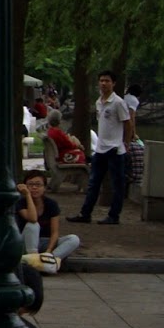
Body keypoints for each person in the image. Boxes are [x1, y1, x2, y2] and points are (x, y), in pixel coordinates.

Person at [68, 70, 135, 225]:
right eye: (102, 81)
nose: (104, 83)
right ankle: (85, 214)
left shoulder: (118, 102)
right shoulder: (99, 102)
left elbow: (128, 124)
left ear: (113, 83)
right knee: (93, 183)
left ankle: (114, 216)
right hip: (100, 149)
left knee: (117, 185)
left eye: (107, 81)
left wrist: (125, 143)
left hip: (115, 150)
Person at [16, 170, 80, 264]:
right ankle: (32, 259)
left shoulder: (51, 204)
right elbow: (33, 219)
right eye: (30, 184)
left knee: (73, 239)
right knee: (33, 225)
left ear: (44, 187)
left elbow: (54, 232)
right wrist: (28, 195)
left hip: (45, 242)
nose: (34, 187)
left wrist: (49, 251)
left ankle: (47, 261)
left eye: (38, 185)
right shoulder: (21, 203)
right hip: (26, 244)